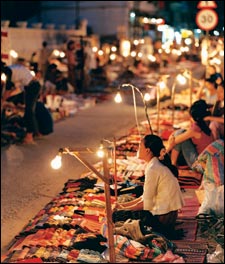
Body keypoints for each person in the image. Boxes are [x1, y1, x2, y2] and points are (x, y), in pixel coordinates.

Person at [113, 134, 184, 238]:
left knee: (116, 216)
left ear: (147, 150)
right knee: (123, 209)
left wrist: (122, 209)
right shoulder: (154, 165)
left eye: (140, 147)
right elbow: (144, 197)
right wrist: (122, 206)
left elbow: (146, 203)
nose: (138, 149)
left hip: (162, 220)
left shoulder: (153, 168)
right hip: (166, 217)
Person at [3, 58, 41, 144]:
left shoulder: (9, 71)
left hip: (32, 86)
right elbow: (16, 89)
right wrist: (5, 99)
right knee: (29, 110)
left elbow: (8, 89)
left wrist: (2, 101)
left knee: (29, 111)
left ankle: (29, 137)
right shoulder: (12, 69)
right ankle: (36, 132)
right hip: (31, 86)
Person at [166, 99, 214, 168]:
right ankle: (172, 163)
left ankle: (172, 165)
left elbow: (175, 140)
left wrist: (169, 145)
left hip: (199, 165)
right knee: (181, 133)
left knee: (180, 134)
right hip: (205, 160)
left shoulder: (196, 129)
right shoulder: (205, 124)